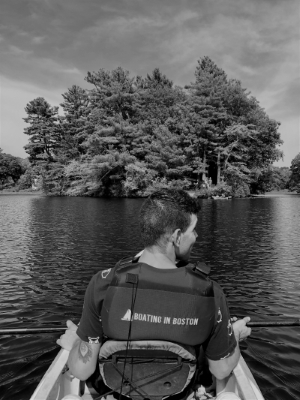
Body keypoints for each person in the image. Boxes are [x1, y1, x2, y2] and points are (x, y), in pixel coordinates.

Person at [57, 188, 251, 386]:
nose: (196, 236)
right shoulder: (210, 292)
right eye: (193, 230)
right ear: (176, 236)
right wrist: (234, 333)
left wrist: (75, 341)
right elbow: (221, 370)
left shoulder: (103, 282)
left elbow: (81, 371)